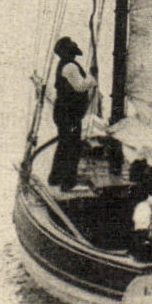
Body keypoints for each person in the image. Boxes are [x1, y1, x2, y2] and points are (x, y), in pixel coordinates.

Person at [47, 36, 96, 191]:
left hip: (64, 112)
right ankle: (68, 182)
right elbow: (80, 86)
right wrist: (92, 78)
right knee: (72, 146)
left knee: (64, 144)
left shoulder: (65, 65)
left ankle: (55, 177)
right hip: (69, 114)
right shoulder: (70, 67)